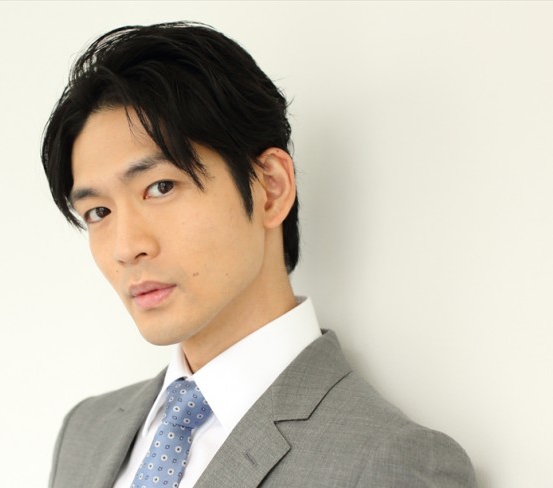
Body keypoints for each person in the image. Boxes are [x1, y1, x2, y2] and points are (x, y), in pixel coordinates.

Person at [41, 21, 476, 488]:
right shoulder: (85, 434)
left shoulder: (391, 462)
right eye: (99, 212)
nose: (126, 248)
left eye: (161, 187)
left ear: (271, 187)